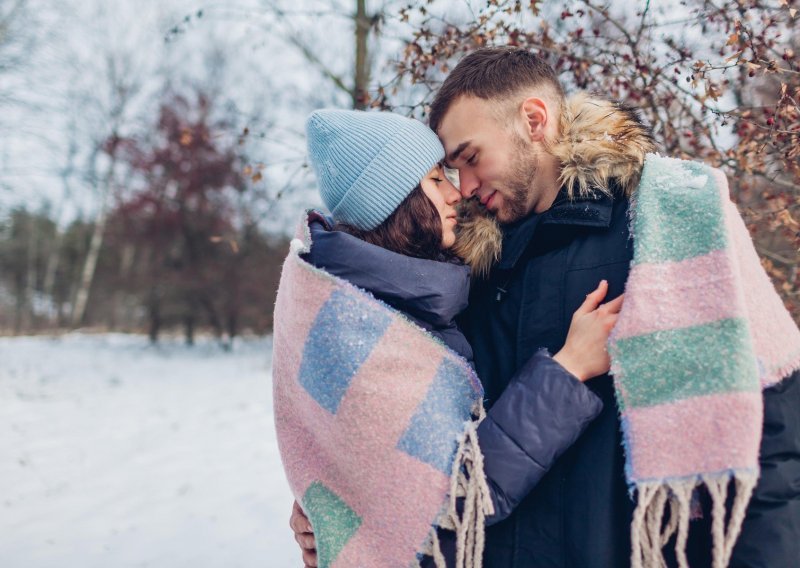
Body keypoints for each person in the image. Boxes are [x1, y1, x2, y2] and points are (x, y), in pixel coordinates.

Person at [292, 48, 800, 567]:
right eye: (450, 170)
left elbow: (771, 426)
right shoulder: (460, 272)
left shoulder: (668, 221)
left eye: (470, 158)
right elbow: (413, 441)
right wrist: (340, 506)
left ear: (534, 120)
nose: (464, 187)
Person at [279, 108, 623, 567]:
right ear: (395, 199)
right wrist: (570, 368)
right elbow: (456, 494)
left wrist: (336, 506)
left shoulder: (390, 294)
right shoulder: (359, 324)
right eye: (435, 178)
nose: (456, 191)